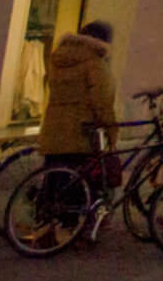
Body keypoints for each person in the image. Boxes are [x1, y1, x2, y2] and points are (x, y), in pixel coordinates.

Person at [39, 19, 118, 231]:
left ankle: (46, 221)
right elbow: (101, 101)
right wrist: (111, 130)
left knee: (55, 173)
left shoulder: (58, 58)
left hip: (54, 124)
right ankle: (72, 227)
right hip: (81, 130)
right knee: (79, 179)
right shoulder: (95, 63)